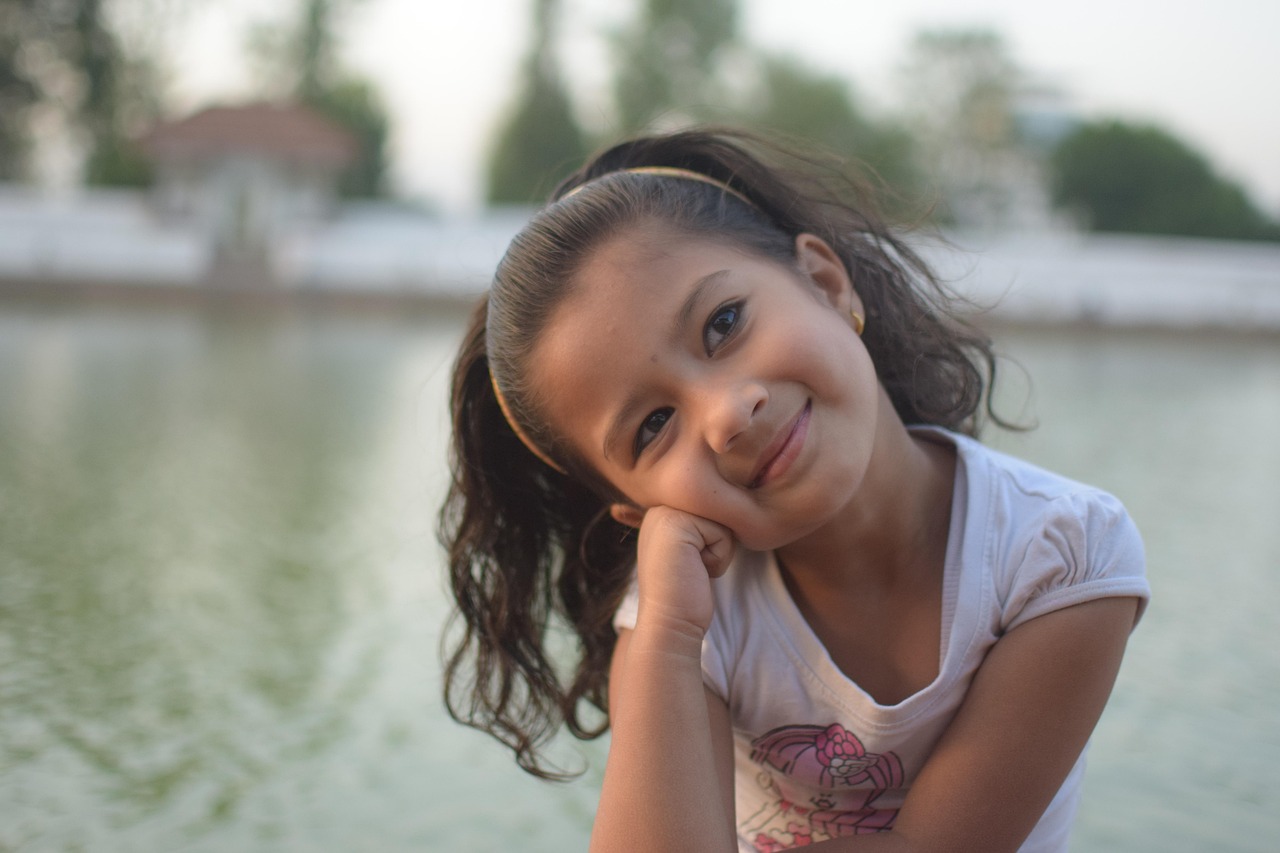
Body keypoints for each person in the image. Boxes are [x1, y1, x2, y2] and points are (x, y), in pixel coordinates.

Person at [440, 128, 1149, 852]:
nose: (726, 415)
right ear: (638, 509)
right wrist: (669, 634)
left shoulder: (1061, 556)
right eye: (653, 426)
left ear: (826, 283)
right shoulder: (686, 620)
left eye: (723, 324)